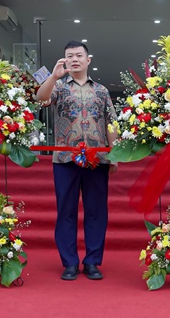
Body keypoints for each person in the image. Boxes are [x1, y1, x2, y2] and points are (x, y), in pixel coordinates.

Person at [36, 40, 118, 281]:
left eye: (78, 55)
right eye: (69, 56)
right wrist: (53, 77)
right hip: (65, 158)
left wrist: (114, 154)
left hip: (97, 159)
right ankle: (69, 262)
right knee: (66, 211)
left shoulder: (101, 91)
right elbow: (41, 99)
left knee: (96, 212)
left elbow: (111, 122)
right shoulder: (59, 87)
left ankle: (92, 261)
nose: (74, 59)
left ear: (88, 60)